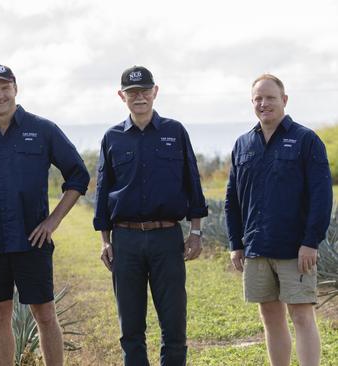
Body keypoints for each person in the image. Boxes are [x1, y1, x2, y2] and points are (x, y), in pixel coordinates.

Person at [0, 64, 90, 366]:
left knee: (45, 314)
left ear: (15, 88)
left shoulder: (42, 130)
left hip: (32, 239)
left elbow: (78, 175)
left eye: (5, 88)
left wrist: (53, 221)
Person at [93, 65, 208, 365]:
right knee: (130, 326)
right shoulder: (112, 137)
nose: (139, 97)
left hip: (166, 239)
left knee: (173, 324)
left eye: (144, 90)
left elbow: (192, 182)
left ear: (155, 92)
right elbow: (103, 191)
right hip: (126, 241)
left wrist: (195, 232)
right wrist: (105, 240)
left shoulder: (175, 132)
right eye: (132, 92)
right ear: (122, 96)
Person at [225, 74, 332, 366]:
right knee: (270, 317)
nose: (264, 104)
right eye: (258, 99)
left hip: (296, 250)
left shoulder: (305, 140)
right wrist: (236, 243)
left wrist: (310, 242)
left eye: (270, 97)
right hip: (257, 248)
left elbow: (322, 197)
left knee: (301, 315)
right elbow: (231, 200)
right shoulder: (243, 144)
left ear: (284, 100)